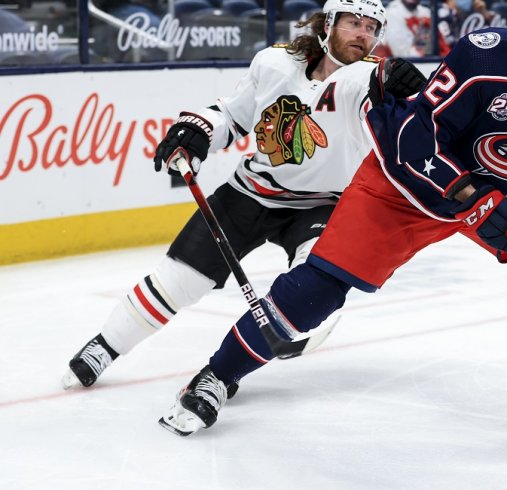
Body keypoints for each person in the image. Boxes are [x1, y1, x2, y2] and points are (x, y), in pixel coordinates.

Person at [159, 0, 507, 437]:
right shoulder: (484, 55)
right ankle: (216, 375)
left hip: (491, 191)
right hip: (400, 187)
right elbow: (414, 135)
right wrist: (468, 195)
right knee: (316, 292)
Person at [62, 0, 426, 396]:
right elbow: (232, 116)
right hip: (250, 193)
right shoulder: (274, 63)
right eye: (354, 23)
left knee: (313, 290)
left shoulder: (367, 79)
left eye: (372, 28)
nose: (362, 34)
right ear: (327, 24)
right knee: (178, 281)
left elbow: (388, 102)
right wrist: (198, 130)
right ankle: (105, 346)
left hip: (323, 204)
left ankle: (221, 374)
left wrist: (406, 91)